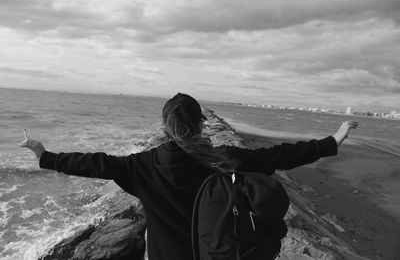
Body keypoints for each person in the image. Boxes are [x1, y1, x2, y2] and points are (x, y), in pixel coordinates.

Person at [19, 93, 358, 260]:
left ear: (165, 128)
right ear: (201, 124)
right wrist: (332, 141)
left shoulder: (144, 165)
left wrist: (45, 156)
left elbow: (96, 164)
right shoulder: (225, 159)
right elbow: (279, 156)